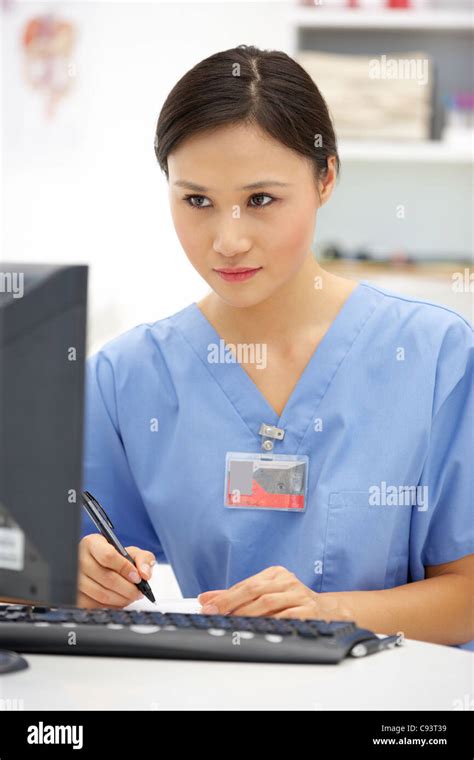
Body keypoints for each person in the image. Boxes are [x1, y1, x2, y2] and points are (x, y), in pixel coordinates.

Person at [78, 45, 473, 650]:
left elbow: (467, 596)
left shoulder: (435, 355)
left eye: (261, 200)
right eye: (197, 201)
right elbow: (53, 577)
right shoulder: (125, 376)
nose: (227, 239)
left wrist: (326, 610)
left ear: (326, 179)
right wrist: (82, 578)